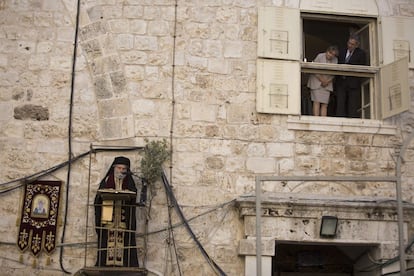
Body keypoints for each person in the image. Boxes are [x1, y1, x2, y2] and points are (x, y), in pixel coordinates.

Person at [94, 156, 146, 267]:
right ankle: (105, 266)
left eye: (124, 169)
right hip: (109, 221)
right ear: (114, 168)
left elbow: (133, 197)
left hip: (123, 221)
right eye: (119, 168)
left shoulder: (129, 182)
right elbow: (97, 200)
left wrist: (127, 193)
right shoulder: (107, 181)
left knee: (125, 245)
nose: (121, 171)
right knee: (106, 244)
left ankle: (125, 266)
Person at [335, 34, 367, 118]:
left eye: (352, 44)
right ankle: (340, 119)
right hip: (341, 81)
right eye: (349, 43)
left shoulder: (361, 53)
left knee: (352, 104)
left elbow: (362, 68)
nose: (350, 45)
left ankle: (352, 121)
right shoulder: (342, 50)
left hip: (353, 82)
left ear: (357, 45)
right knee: (340, 103)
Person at [307, 45, 338, 116]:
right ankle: (316, 119)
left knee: (325, 104)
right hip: (317, 82)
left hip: (327, 83)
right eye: (330, 53)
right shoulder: (320, 56)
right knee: (316, 102)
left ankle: (323, 120)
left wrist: (327, 81)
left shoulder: (335, 60)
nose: (331, 56)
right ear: (327, 51)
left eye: (333, 54)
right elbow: (314, 69)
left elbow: (335, 73)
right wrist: (322, 80)